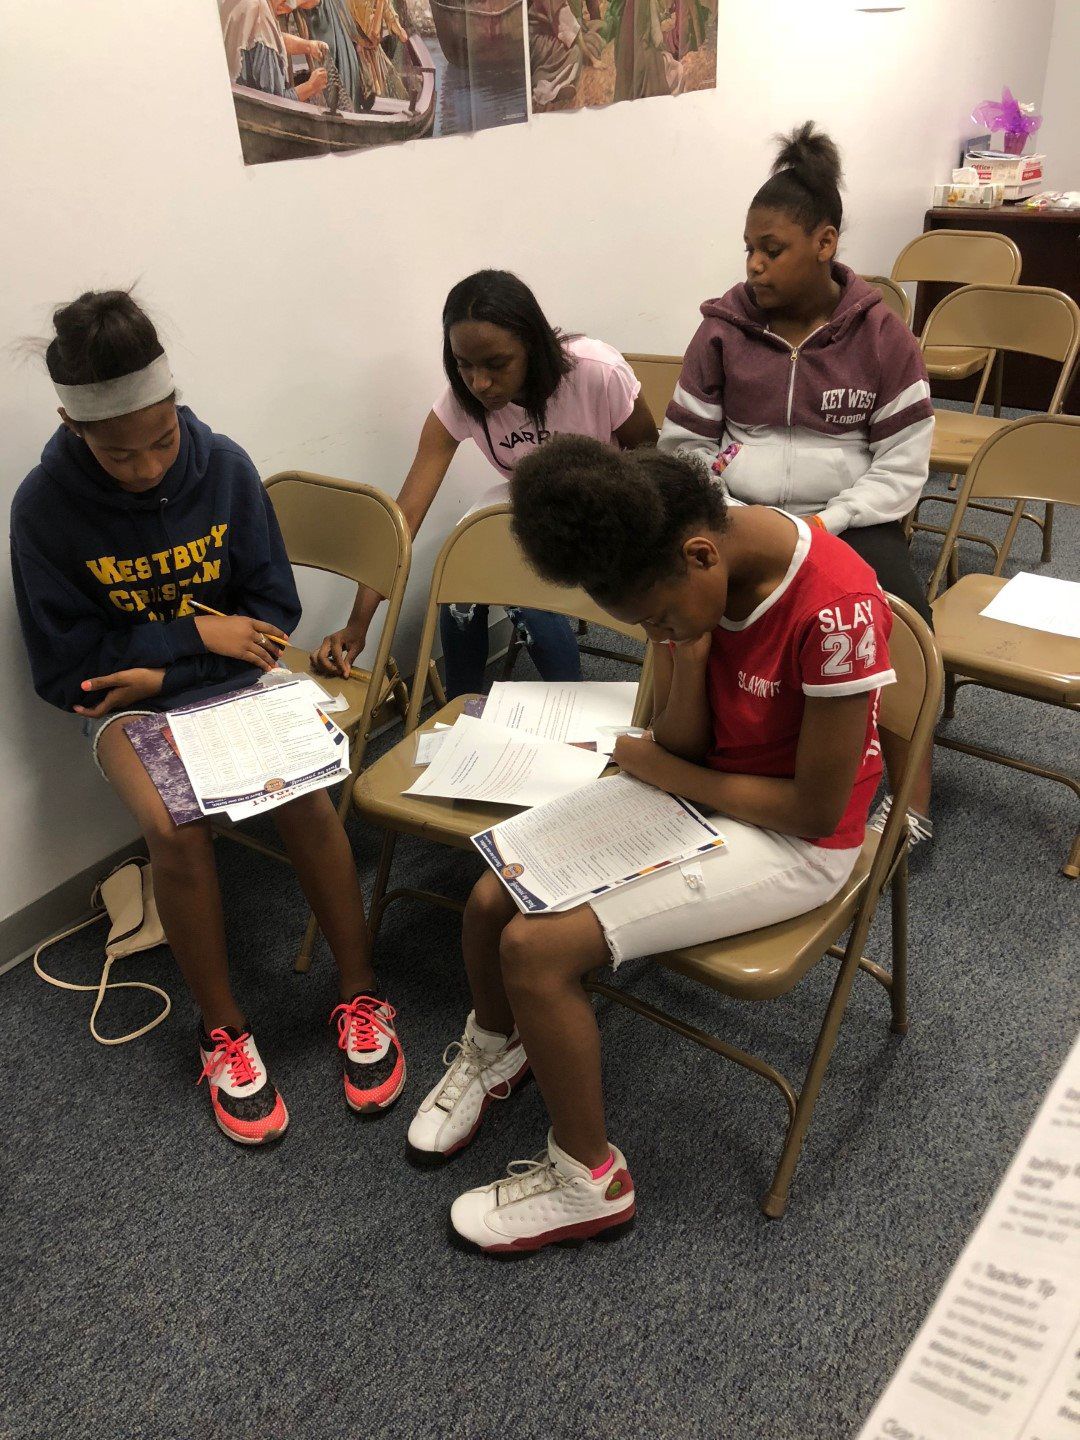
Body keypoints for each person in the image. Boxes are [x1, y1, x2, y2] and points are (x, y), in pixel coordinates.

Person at [407, 436, 896, 1253]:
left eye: (658, 617)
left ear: (701, 553)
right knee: (493, 890)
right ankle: (497, 1049)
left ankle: (588, 1181)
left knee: (534, 950)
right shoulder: (688, 581)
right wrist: (687, 652)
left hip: (801, 841)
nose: (655, 633)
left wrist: (663, 765)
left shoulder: (835, 604)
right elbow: (683, 743)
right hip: (702, 794)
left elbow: (814, 811)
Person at [10, 290, 404, 1146]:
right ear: (73, 428)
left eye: (162, 439)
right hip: (129, 702)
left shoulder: (221, 465)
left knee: (304, 794)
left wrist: (171, 659)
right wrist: (191, 632)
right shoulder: (43, 508)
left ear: (176, 404)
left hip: (225, 677)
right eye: (120, 455)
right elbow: (69, 672)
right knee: (175, 827)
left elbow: (271, 614)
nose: (149, 466)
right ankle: (222, 1028)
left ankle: (360, 990)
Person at [658, 121, 934, 844]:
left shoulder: (882, 338)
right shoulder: (720, 332)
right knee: (682, 600)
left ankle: (910, 789)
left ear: (825, 242)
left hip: (846, 522)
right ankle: (726, 756)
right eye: (748, 249)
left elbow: (902, 464)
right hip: (735, 520)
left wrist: (830, 522)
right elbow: (685, 446)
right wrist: (725, 511)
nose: (753, 265)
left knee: (902, 611)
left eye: (771, 249)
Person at [312, 270, 658, 697]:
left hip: (605, 509)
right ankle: (461, 709)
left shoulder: (596, 372)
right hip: (532, 512)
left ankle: (571, 711)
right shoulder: (463, 399)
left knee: (530, 600)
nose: (479, 383)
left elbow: (650, 464)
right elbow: (407, 515)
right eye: (464, 365)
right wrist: (358, 623)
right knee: (462, 574)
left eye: (496, 364)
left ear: (533, 345)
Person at [219, 0, 329, 103]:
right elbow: (275, 101)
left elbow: (268, 40)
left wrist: (308, 46)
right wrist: (310, 87)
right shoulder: (261, 17)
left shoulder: (243, 4)